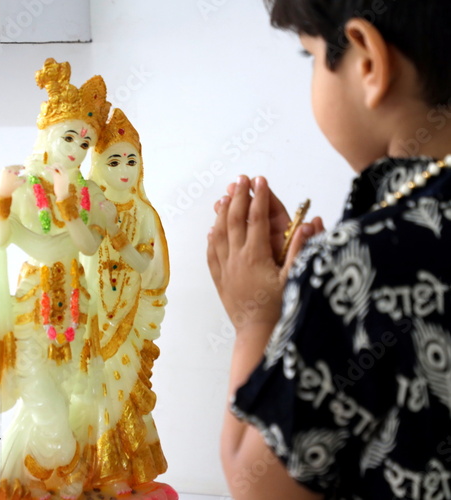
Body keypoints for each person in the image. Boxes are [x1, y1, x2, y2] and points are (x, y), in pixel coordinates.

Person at [207, 1, 451, 499]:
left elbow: (259, 487)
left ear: (367, 62)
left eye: (310, 57)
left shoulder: (356, 263)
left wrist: (259, 318)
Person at [0, 58, 110, 500]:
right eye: (69, 136)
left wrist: (67, 203)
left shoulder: (89, 193)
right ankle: (42, 483)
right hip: (31, 313)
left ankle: (55, 486)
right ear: (49, 135)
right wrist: (0, 197)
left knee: (78, 405)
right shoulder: (21, 188)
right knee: (46, 408)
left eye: (86, 140)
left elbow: (90, 247)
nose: (76, 148)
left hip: (78, 309)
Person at [72, 108, 176, 499]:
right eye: (113, 161)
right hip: (88, 325)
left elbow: (156, 279)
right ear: (97, 165)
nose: (124, 169)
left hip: (129, 330)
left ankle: (122, 476)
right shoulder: (85, 210)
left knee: (122, 399)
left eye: (131, 160)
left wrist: (146, 325)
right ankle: (85, 475)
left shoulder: (146, 216)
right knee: (84, 400)